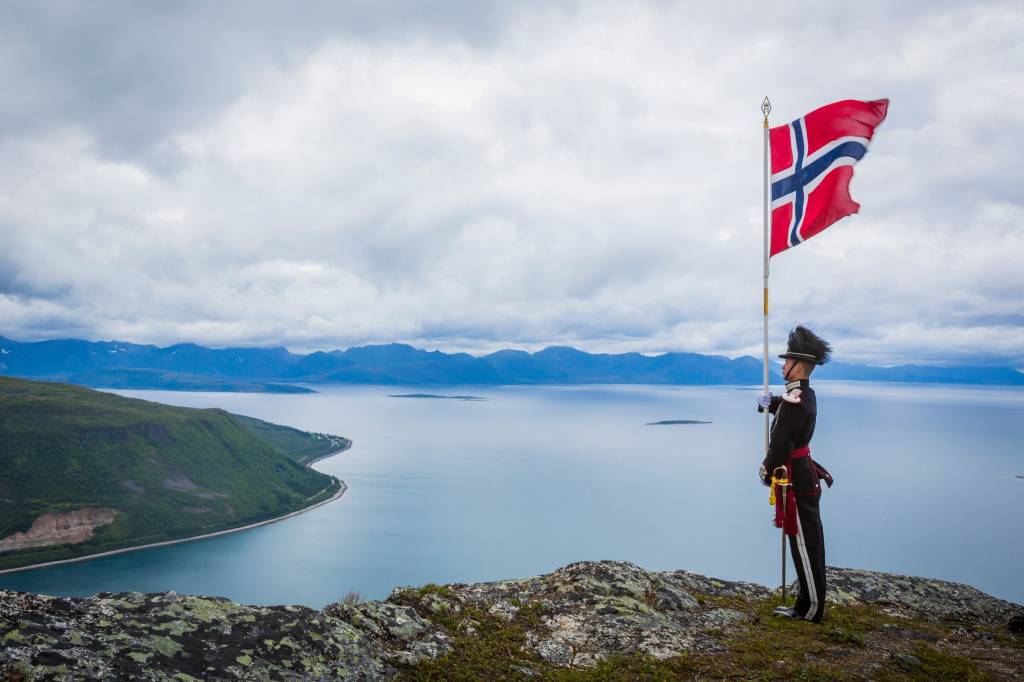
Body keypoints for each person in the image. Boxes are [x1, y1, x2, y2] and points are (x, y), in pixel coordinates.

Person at [757, 325, 834, 622]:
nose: (782, 365)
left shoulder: (796, 400)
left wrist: (766, 472)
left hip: (796, 480)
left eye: (786, 361)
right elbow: (790, 415)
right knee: (805, 542)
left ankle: (810, 608)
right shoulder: (801, 396)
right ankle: (805, 603)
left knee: (805, 544)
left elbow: (782, 444)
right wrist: (771, 404)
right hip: (803, 477)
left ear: (798, 365)